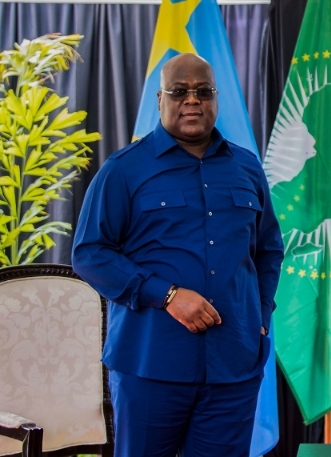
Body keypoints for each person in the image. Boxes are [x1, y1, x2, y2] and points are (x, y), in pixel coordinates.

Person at [72, 53, 284, 457]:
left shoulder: (246, 167)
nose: (192, 101)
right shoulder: (123, 170)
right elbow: (89, 253)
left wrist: (258, 317)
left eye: (203, 92)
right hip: (151, 363)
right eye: (179, 91)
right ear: (159, 99)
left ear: (216, 99)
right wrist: (166, 295)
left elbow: (269, 249)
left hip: (233, 362)